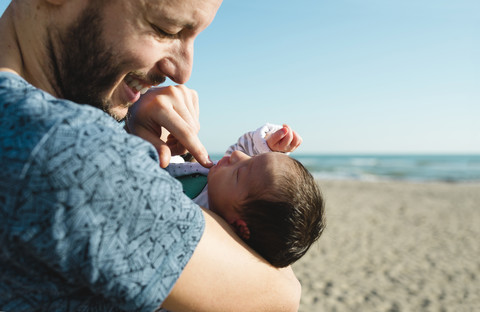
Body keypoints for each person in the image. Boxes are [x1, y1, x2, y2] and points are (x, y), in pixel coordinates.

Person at [0, 0, 301, 311]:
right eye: (165, 29)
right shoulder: (64, 149)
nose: (183, 72)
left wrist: (127, 122)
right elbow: (281, 295)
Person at [166, 123, 326, 268]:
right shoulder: (221, 186)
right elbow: (250, 161)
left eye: (239, 173)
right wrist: (268, 144)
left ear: (239, 226)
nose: (236, 155)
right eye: (252, 158)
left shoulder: (196, 219)